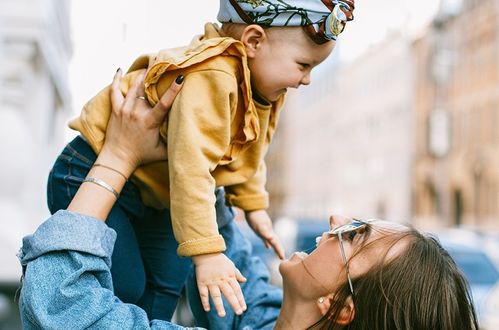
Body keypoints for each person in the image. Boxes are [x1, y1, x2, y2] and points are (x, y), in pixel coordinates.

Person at [19, 72, 479, 329]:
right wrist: (201, 130)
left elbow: (60, 305)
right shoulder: (263, 318)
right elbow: (224, 252)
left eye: (354, 235)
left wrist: (119, 155)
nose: (337, 217)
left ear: (340, 306)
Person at [46, 0, 356, 321]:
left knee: (167, 280)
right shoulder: (213, 75)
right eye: (304, 65)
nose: (306, 80)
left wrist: (253, 204)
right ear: (253, 42)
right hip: (90, 169)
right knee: (128, 282)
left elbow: (248, 147)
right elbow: (192, 168)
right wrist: (208, 253)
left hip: (159, 195)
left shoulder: (260, 88)